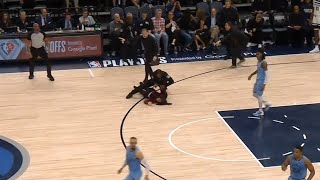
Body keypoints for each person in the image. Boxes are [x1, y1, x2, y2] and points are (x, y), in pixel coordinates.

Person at [248, 48, 271, 116]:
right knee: (255, 94)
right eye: (256, 54)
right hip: (258, 80)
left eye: (258, 54)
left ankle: (260, 111)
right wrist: (251, 75)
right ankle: (267, 103)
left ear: (262, 54)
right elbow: (258, 70)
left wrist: (264, 84)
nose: (256, 55)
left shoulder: (264, 63)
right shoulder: (259, 62)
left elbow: (267, 75)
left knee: (259, 95)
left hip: (261, 81)